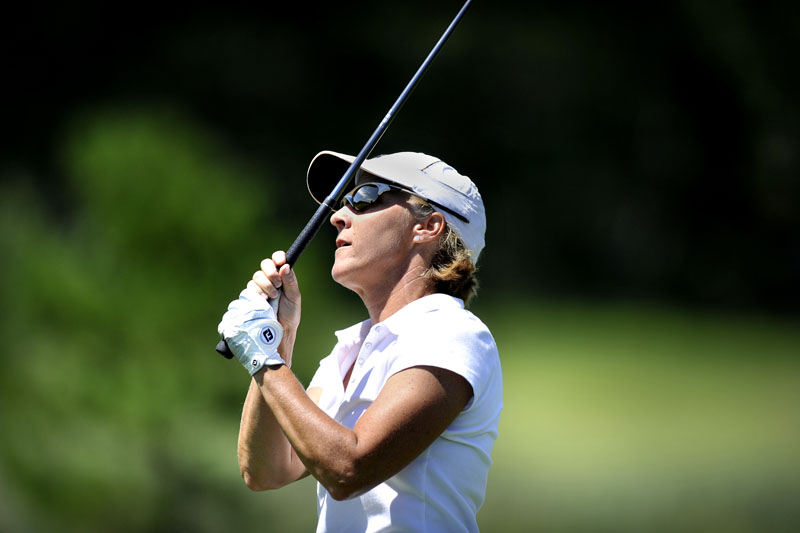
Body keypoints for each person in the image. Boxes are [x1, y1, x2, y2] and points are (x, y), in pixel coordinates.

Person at [218, 150, 503, 532]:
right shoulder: (349, 348)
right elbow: (267, 470)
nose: (338, 215)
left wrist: (263, 357)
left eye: (365, 197)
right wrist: (280, 339)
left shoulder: (453, 334)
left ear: (428, 226)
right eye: (343, 202)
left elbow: (348, 469)